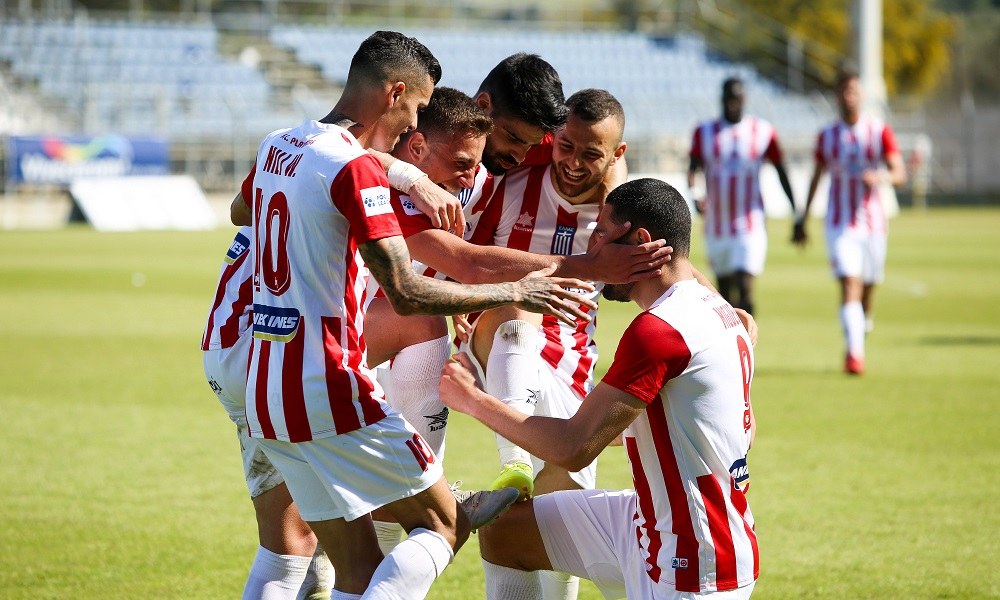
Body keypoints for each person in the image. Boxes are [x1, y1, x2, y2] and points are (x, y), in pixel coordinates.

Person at [230, 30, 596, 600]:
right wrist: (513, 287)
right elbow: (410, 288)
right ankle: (455, 479)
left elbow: (241, 209)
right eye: (417, 109)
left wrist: (406, 176)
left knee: (312, 552)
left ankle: (429, 481)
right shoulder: (362, 169)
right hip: (326, 373)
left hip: (261, 367)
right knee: (443, 523)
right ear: (397, 94)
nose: (415, 124)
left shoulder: (282, 143)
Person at [366, 86, 671, 559]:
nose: (573, 162)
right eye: (565, 147)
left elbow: (673, 263)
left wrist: (722, 308)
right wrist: (411, 178)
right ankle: (506, 468)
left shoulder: (621, 212)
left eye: (592, 155)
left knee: (546, 533)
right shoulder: (500, 173)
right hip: (490, 346)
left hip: (571, 366)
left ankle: (414, 517)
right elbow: (468, 259)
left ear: (616, 155)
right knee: (493, 315)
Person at [439, 178, 760, 600]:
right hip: (656, 522)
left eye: (602, 233)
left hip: (691, 562)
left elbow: (575, 447)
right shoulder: (722, 313)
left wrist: (473, 400)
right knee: (506, 532)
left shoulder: (659, 330)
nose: (592, 248)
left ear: (640, 242)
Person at [202, 227, 334, 600]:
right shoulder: (334, 193)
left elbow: (238, 208)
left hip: (228, 347)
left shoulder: (267, 192)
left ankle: (318, 580)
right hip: (264, 351)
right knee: (295, 545)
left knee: (295, 543)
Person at [795, 70, 906, 375]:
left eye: (854, 91)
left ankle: (862, 323)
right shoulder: (828, 136)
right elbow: (817, 177)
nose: (849, 97)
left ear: (861, 95)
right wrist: (804, 218)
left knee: (868, 288)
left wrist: (880, 176)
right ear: (837, 96)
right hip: (840, 224)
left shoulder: (878, 132)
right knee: (849, 283)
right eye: (844, 91)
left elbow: (899, 173)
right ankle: (854, 353)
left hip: (873, 225)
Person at [688, 77, 796, 316]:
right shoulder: (704, 132)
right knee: (724, 293)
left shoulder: (763, 131)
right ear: (721, 98)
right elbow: (693, 169)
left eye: (736, 97)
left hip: (750, 223)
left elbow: (781, 170)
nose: (732, 102)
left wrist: (795, 211)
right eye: (728, 97)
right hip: (717, 225)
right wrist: (695, 196)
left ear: (744, 99)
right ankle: (732, 338)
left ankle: (748, 337)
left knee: (745, 285)